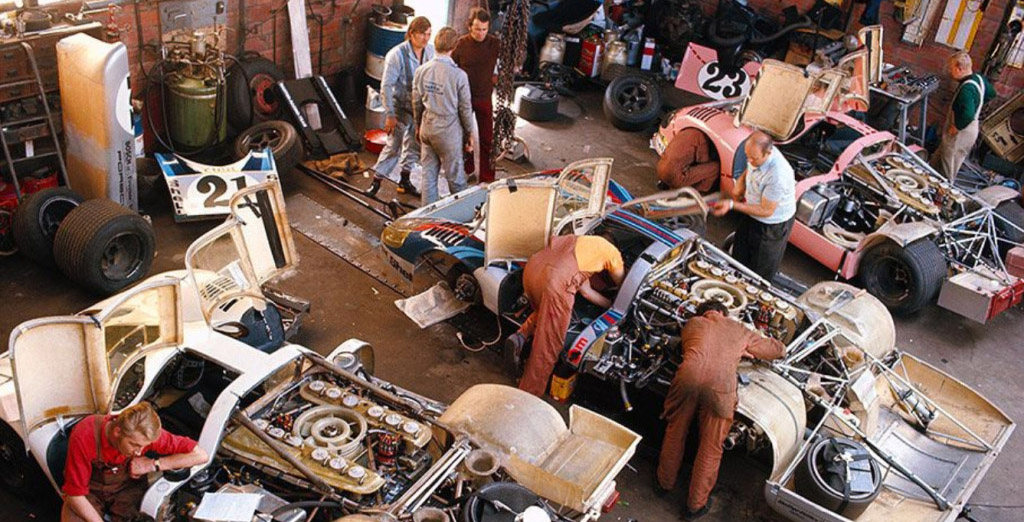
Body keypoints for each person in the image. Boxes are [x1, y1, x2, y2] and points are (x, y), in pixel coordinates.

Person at [656, 300, 784, 520]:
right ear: (725, 313)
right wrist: (754, 346)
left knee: (675, 431)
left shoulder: (693, 323)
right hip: (719, 388)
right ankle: (695, 507)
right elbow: (775, 351)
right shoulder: (739, 328)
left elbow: (696, 346)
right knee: (711, 447)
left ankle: (663, 485)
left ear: (704, 313)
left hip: (688, 378)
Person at [506, 234, 625, 396]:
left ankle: (520, 336)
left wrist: (608, 306)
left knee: (543, 313)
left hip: (532, 270)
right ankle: (527, 395)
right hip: (556, 282)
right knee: (548, 345)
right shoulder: (612, 253)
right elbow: (623, 287)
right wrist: (617, 308)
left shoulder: (577, 241)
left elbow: (587, 292)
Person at [61, 402, 208, 522]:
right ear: (117, 432)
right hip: (89, 492)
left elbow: (200, 455)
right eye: (134, 445)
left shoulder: (144, 435)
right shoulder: (85, 434)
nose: (139, 452)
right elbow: (75, 495)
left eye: (144, 446)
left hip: (128, 489)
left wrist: (153, 464)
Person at [711, 131, 796, 281]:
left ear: (768, 153)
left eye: (754, 158)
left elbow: (766, 211)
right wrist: (741, 184)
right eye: (747, 155)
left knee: (758, 272)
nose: (749, 160)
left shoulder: (778, 175)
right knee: (739, 255)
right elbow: (750, 166)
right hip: (752, 211)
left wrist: (732, 204)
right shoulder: (755, 154)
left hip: (770, 225)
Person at [367, 16, 435, 198]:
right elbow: (386, 86)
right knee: (394, 145)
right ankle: (376, 182)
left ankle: (405, 180)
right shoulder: (396, 55)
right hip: (399, 106)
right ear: (411, 33)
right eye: (422, 34)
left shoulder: (431, 52)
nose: (426, 39)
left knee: (413, 145)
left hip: (419, 108)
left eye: (428, 34)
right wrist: (390, 115)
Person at [412, 26, 475, 206]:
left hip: (427, 126)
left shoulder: (421, 71)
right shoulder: (459, 75)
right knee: (455, 178)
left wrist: (418, 126)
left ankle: (426, 220)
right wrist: (469, 133)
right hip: (448, 130)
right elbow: (464, 108)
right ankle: (465, 214)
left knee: (428, 177)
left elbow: (416, 102)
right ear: (454, 48)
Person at [452, 7, 501, 183]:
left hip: (484, 98)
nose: (481, 33)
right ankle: (467, 169)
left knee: (488, 139)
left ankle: (487, 177)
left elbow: (510, 61)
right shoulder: (461, 45)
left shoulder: (495, 44)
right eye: (477, 29)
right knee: (464, 137)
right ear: (469, 27)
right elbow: (452, 69)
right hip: (464, 99)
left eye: (484, 29)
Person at [930, 51, 995, 183]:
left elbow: (967, 114)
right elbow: (991, 93)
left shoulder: (967, 89)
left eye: (952, 68)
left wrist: (956, 126)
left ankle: (945, 196)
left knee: (948, 166)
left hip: (962, 130)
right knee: (939, 158)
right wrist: (978, 102)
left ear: (959, 68)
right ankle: (927, 177)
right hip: (972, 129)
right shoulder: (979, 79)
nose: (950, 71)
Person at [656, 128, 720, 192]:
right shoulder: (702, 139)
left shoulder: (687, 130)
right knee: (715, 168)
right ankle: (699, 191)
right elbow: (704, 161)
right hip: (676, 177)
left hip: (660, 168)